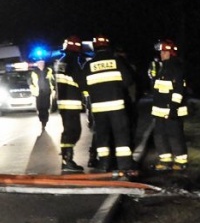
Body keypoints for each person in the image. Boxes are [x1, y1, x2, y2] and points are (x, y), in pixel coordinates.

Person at [82, 34, 137, 175]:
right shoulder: (117, 62)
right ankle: (124, 165)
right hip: (117, 106)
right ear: (108, 46)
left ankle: (104, 164)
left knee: (102, 136)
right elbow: (128, 81)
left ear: (95, 48)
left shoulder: (88, 65)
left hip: (99, 108)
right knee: (121, 135)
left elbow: (83, 85)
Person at [150, 38, 189, 171]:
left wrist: (173, 108)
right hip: (160, 110)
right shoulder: (163, 67)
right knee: (160, 136)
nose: (161, 54)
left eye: (163, 52)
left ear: (170, 53)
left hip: (172, 110)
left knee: (175, 136)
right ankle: (165, 161)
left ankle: (181, 162)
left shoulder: (175, 67)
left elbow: (179, 90)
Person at [55, 35, 87, 172]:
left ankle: (67, 159)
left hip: (64, 103)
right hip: (71, 103)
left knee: (69, 131)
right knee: (73, 132)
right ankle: (67, 161)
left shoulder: (62, 62)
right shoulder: (72, 63)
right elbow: (81, 81)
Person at [29, 56, 55, 130]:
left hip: (47, 92)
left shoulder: (49, 70)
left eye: (42, 62)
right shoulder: (33, 72)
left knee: (46, 107)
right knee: (40, 108)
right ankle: (42, 120)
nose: (41, 64)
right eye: (39, 62)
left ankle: (45, 121)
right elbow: (30, 82)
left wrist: (54, 90)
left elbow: (52, 81)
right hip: (38, 93)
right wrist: (32, 90)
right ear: (37, 63)